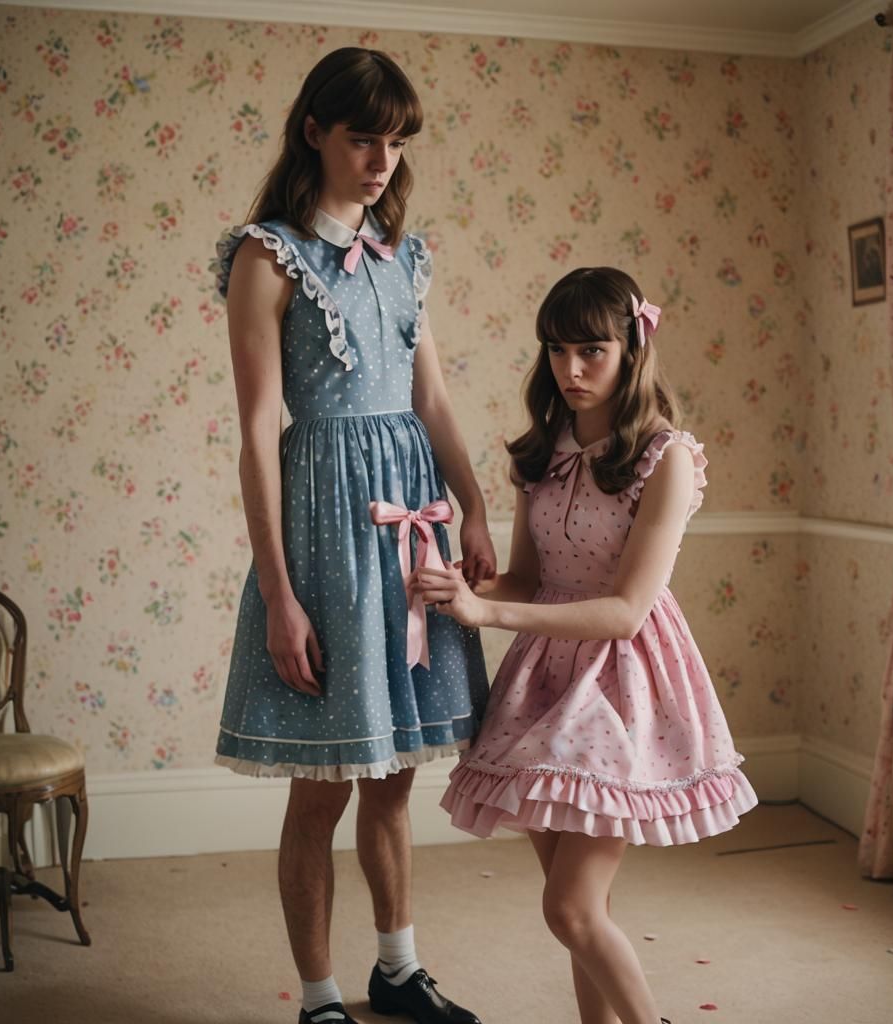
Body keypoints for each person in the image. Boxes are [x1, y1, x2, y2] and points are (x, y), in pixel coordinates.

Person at [213, 48, 492, 1024]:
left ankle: (398, 968)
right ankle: (322, 996)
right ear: (316, 133)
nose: (381, 158)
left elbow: (432, 395)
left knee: (392, 779)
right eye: (363, 136)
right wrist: (281, 592)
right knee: (324, 787)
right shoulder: (266, 255)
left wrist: (477, 504)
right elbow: (257, 435)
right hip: (326, 534)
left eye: (394, 140)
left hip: (410, 529)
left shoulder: (406, 257)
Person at [416, 267, 758, 1024]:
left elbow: (628, 612)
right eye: (556, 351)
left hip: (622, 682)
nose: (569, 370)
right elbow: (530, 580)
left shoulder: (664, 458)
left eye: (591, 351)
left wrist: (488, 616)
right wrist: (452, 588)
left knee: (569, 910)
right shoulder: (544, 451)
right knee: (581, 911)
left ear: (633, 349)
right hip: (544, 682)